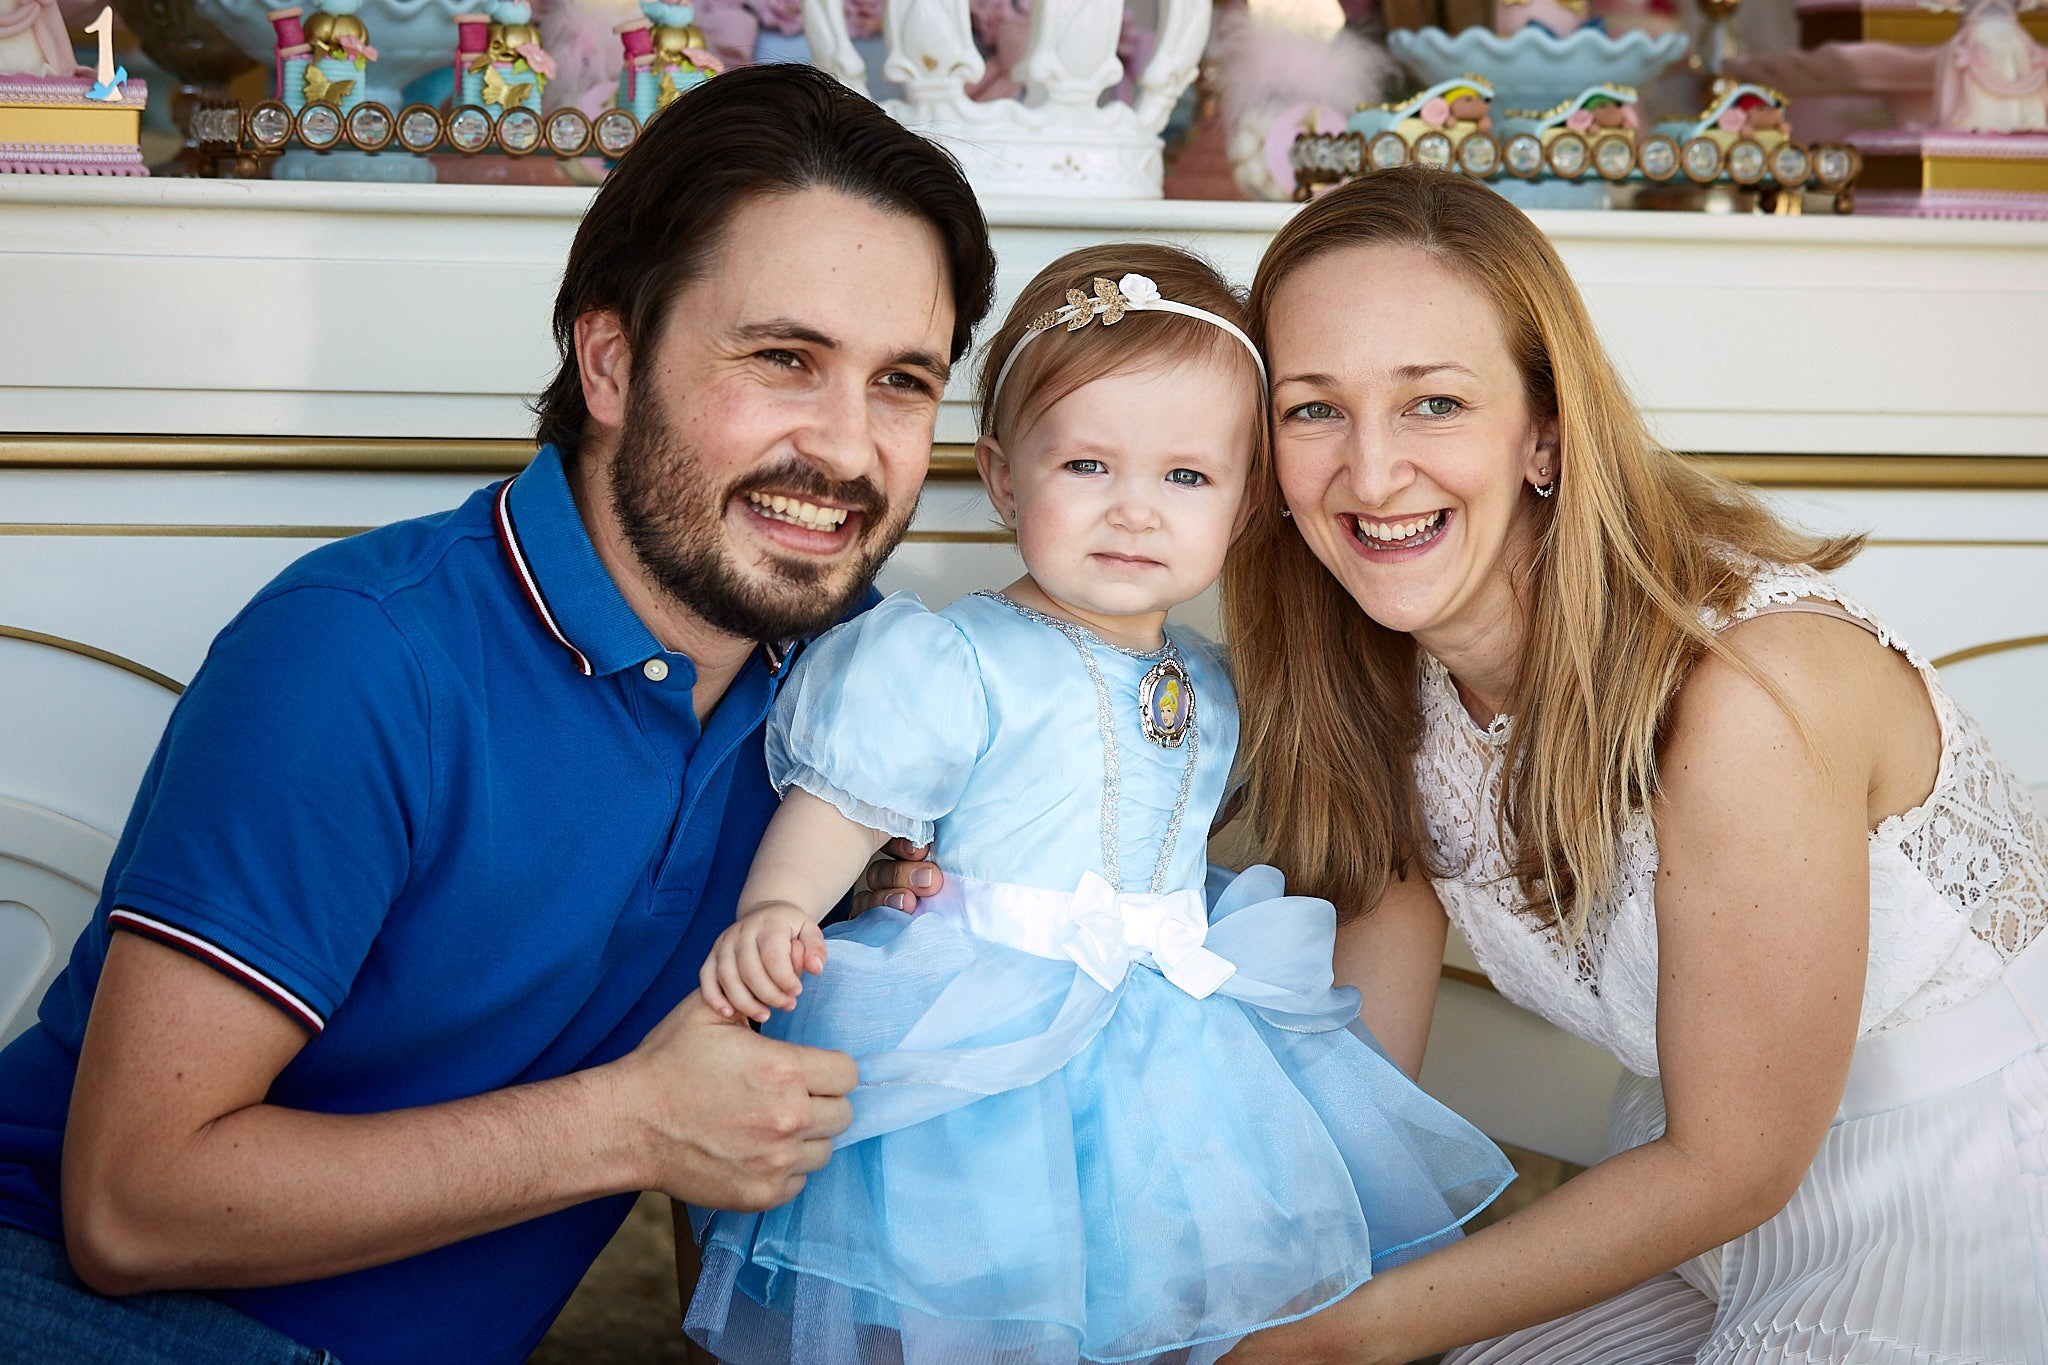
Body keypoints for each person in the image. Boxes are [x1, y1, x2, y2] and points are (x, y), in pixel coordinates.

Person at [0, 65, 995, 1365]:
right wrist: (636, 1123)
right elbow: (129, 1209)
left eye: (903, 382)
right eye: (783, 358)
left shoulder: (857, 693)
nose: (850, 449)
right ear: (612, 360)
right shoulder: (363, 655)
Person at [1208, 168, 2048, 1362]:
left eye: (1433, 403)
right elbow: (1360, 1094)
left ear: (1542, 431)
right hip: (1689, 1206)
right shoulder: (1380, 688)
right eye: (1311, 409)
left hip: (1959, 1195)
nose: (1372, 471)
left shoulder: (1744, 690)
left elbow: (1737, 1162)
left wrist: (1347, 1338)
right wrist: (1211, 1284)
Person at [681, 243, 1514, 1365]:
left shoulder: (1212, 679)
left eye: (1184, 478)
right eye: (1086, 467)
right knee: (977, 1297)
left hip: (1170, 1041)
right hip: (985, 1039)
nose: (1133, 512)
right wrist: (778, 910)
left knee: (1166, 1294)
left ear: (1244, 502)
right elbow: (844, 807)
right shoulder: (951, 660)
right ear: (1002, 474)